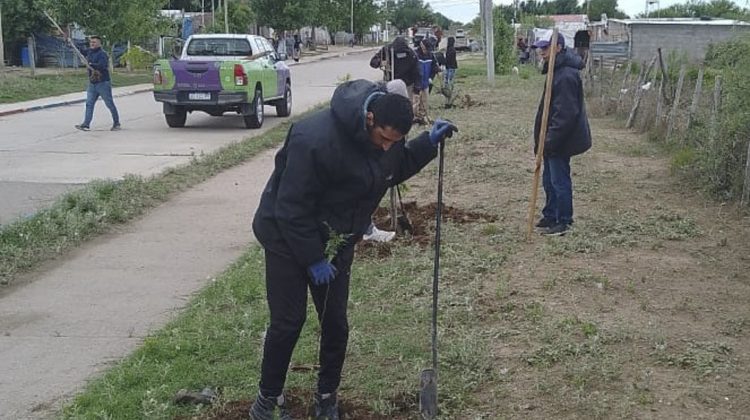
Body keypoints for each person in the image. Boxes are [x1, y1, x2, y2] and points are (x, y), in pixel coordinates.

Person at [249, 79, 457, 420]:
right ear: (370, 118)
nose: (389, 147)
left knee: (335, 324)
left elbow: (394, 166)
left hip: (338, 237)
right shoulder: (314, 139)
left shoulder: (386, 144)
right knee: (288, 322)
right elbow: (291, 208)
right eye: (385, 139)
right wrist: (313, 258)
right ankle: (266, 400)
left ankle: (327, 397)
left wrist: (426, 144)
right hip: (285, 235)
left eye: (397, 142)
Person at [531, 34, 591, 236]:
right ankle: (551, 214)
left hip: (561, 139)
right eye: (541, 48)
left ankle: (563, 220)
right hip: (552, 139)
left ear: (558, 48)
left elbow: (564, 115)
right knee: (549, 179)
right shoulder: (555, 71)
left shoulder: (565, 75)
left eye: (546, 48)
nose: (542, 53)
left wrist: (549, 142)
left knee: (559, 180)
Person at [75, 36, 120, 131]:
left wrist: (90, 64)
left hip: (103, 83)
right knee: (89, 103)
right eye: (91, 42)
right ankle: (86, 124)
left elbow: (102, 66)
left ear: (99, 44)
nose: (92, 44)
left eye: (94, 42)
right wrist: (70, 41)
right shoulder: (90, 51)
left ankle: (116, 123)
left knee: (109, 104)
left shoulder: (102, 54)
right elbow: (81, 51)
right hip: (92, 83)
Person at [413, 38, 441, 125]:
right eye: (425, 49)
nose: (426, 51)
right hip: (416, 83)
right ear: (421, 46)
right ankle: (414, 118)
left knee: (425, 102)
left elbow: (434, 67)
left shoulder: (431, 55)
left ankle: (423, 117)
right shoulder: (415, 55)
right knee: (415, 102)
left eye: (428, 50)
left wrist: (432, 77)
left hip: (426, 83)